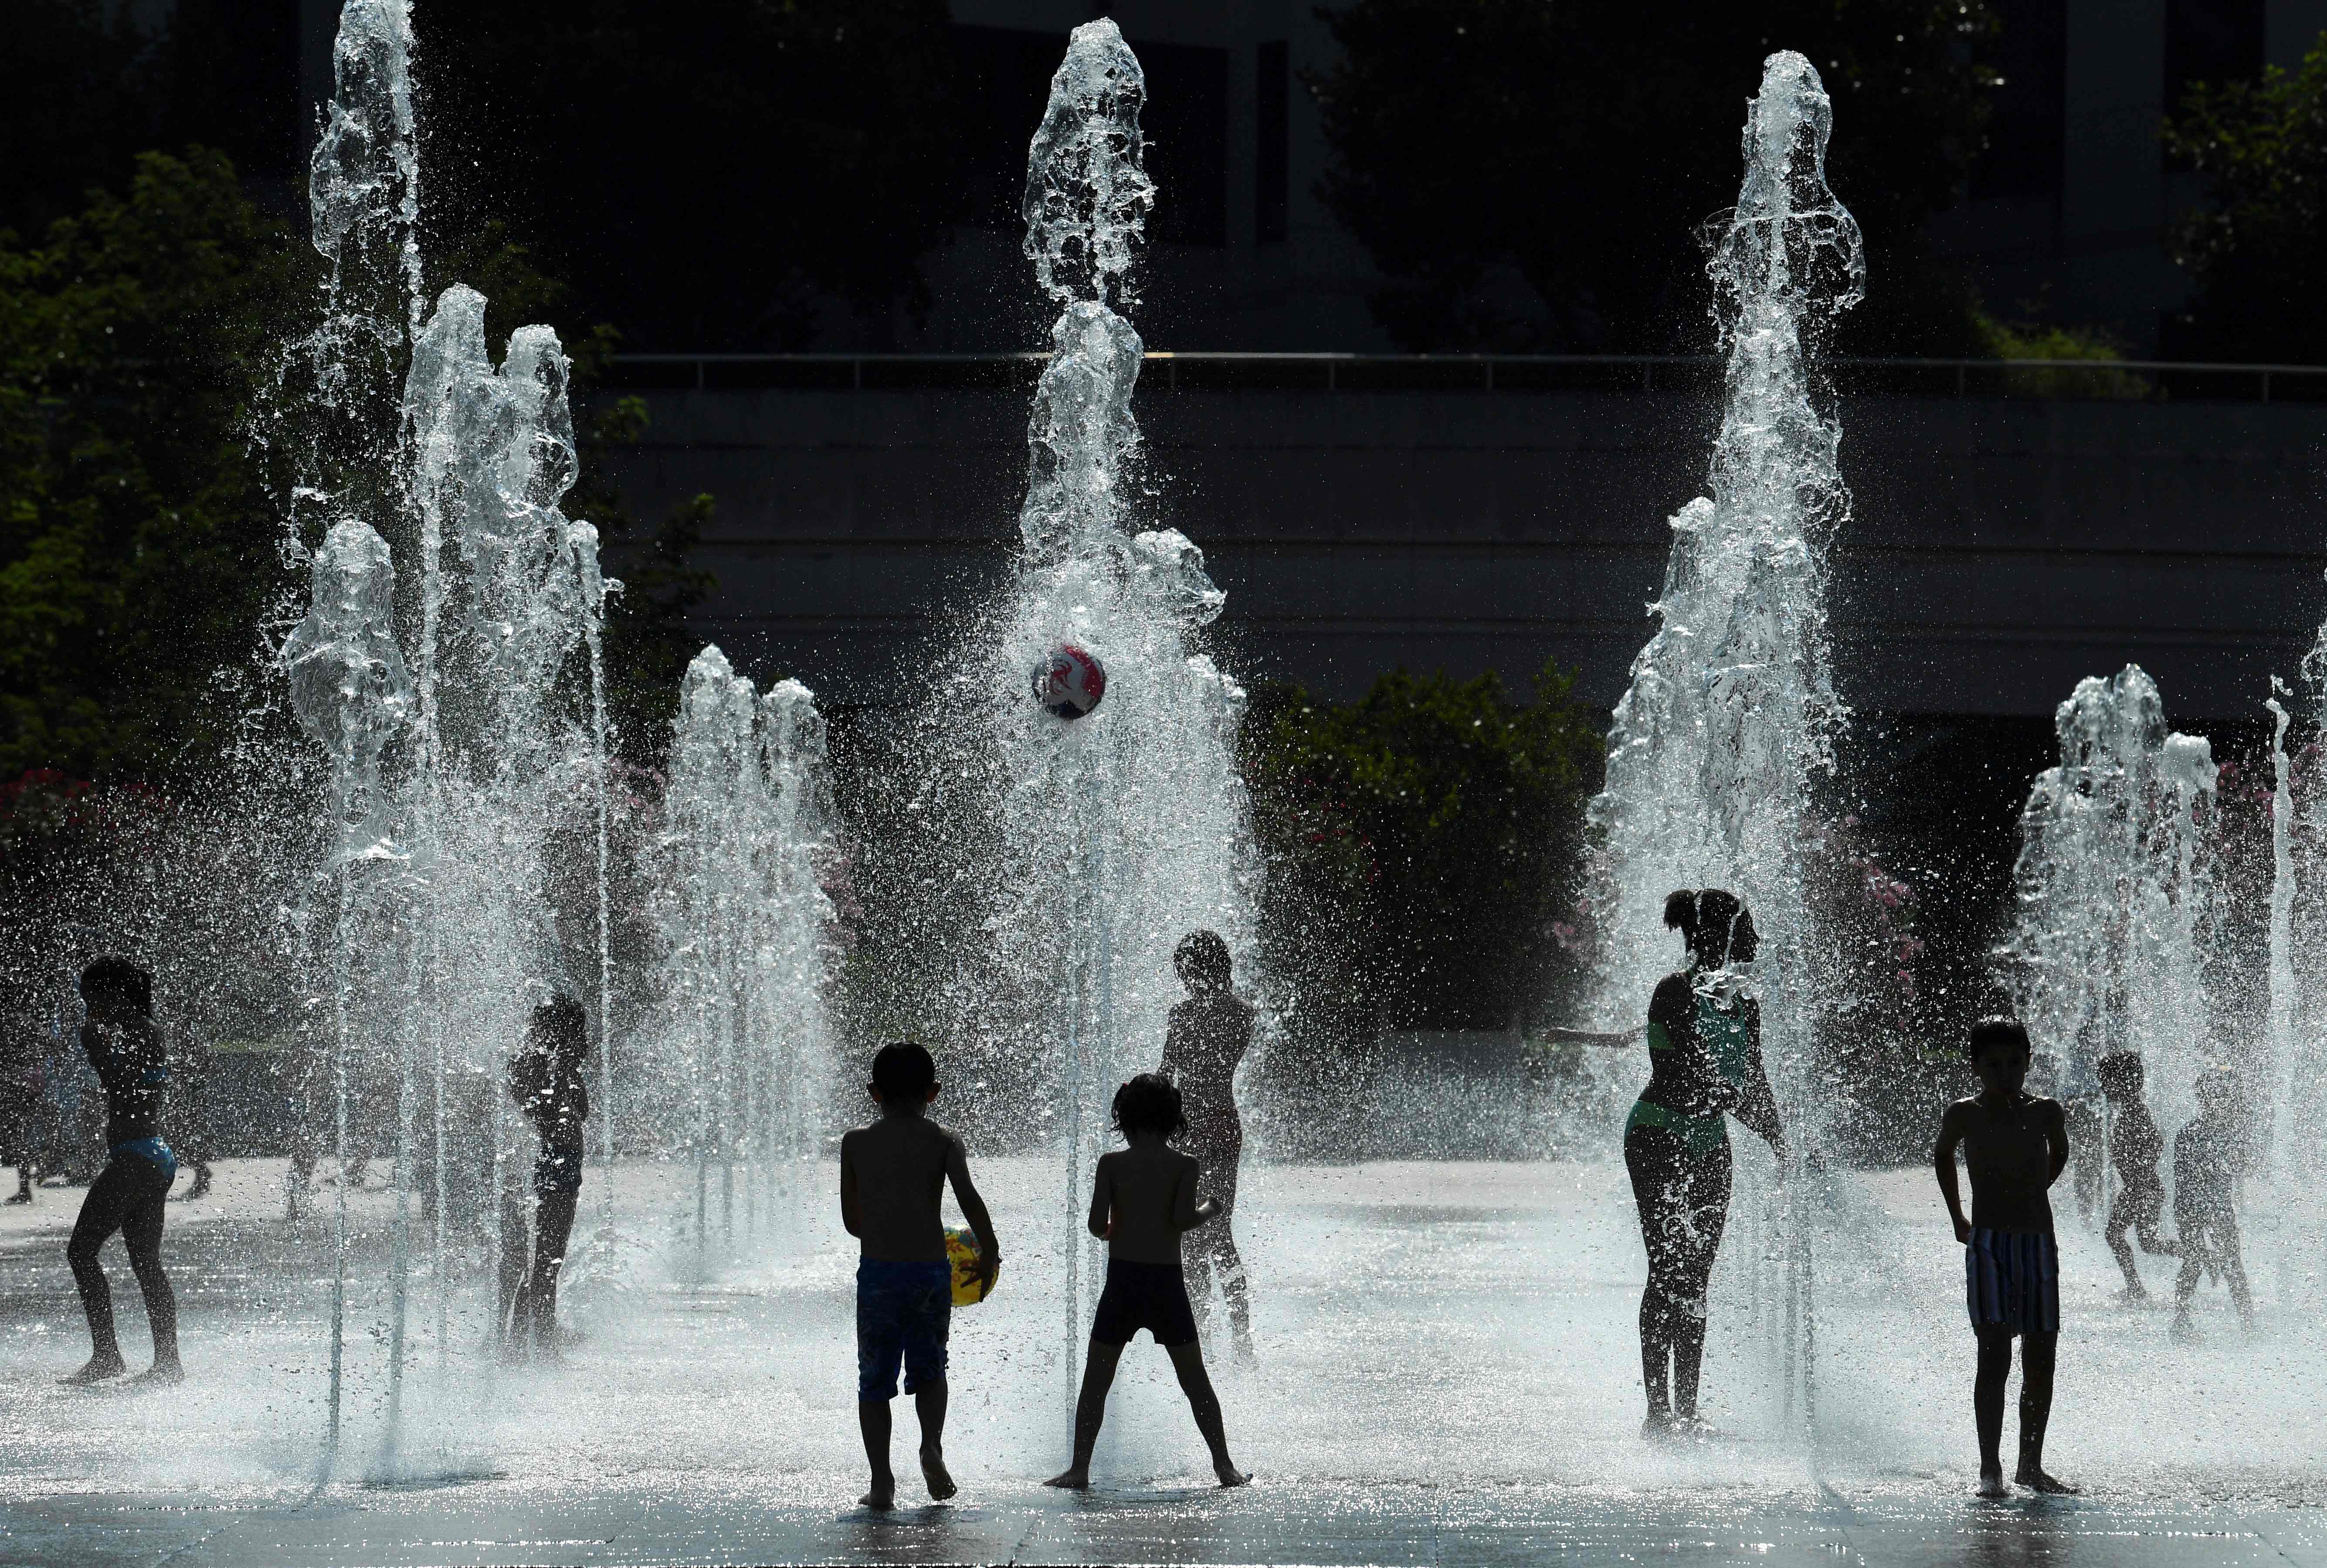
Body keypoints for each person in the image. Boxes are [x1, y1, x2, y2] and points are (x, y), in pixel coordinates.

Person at [1622, 887, 1786, 1438]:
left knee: (1695, 1276)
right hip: (1659, 1133)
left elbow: (1753, 1084)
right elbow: (1678, 1071)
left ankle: (1687, 1413)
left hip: (1710, 1140)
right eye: (1750, 929)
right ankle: (1656, 1411)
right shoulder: (1672, 992)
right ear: (1719, 934)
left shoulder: (1747, 1003)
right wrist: (1741, 1105)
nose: (1758, 941)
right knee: (1667, 1268)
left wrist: (1783, 1141)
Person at [1046, 1073, 1250, 1491]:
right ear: (1175, 1118)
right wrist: (1210, 1208)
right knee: (1195, 1381)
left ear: (1123, 1116)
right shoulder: (1184, 1165)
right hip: (1166, 1285)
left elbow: (1094, 1224)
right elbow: (1181, 1220)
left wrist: (1115, 1232)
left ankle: (1079, 1468)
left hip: (1122, 1283)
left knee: (1096, 1380)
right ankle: (1224, 1466)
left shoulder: (1111, 1164)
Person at [839, 1042, 1000, 1510]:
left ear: (874, 1093)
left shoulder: (856, 1142)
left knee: (874, 1380)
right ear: (933, 1092)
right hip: (931, 1273)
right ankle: (931, 1445)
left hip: (878, 1276)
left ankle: (882, 1481)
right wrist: (989, 1250)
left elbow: (854, 1223)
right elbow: (969, 1199)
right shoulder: (945, 1140)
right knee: (931, 1370)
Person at [1934, 1016, 2073, 1497]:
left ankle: (2030, 1465)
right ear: (1975, 1066)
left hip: (2037, 1242)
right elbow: (1942, 1154)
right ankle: (1989, 1466)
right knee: (1993, 1355)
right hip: (1990, 1243)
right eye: (1993, 1065)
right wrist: (1958, 1217)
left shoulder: (2046, 1111)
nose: (2006, 1073)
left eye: (2015, 1063)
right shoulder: (1965, 1114)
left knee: (2041, 1355)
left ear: (2029, 1061)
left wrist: (2037, 1188)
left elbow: (2060, 1153)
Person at [60, 955, 182, 1387]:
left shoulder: (140, 1031)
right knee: (146, 1262)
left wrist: (95, 1047)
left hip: (136, 1159)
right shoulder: (142, 1029)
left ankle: (108, 1356)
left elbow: (123, 1085)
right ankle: (168, 1364)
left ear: (113, 993)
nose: (88, 1004)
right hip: (151, 1156)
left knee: (81, 1251)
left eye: (90, 995)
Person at [1160, 929, 1256, 1360]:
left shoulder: (1182, 1014)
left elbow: (1166, 1075)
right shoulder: (1243, 1013)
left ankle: (1205, 1338)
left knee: (1191, 1238)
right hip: (1225, 1125)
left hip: (1189, 1130)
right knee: (1221, 1234)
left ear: (1190, 968)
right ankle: (1242, 1335)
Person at [502, 996, 590, 1359]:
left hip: (555, 1167)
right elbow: (567, 1113)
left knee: (541, 1261)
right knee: (545, 1261)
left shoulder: (537, 1067)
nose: (586, 1044)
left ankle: (528, 1338)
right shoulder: (548, 1071)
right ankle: (538, 1346)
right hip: (552, 1168)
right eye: (579, 1034)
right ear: (562, 1034)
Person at [2171, 1065, 2254, 1341]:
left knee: (2207, 1263)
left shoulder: (2208, 1133)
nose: (2218, 1101)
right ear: (2204, 1098)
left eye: (2222, 1096)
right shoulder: (2196, 1134)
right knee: (2216, 1264)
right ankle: (2247, 1326)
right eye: (2214, 1096)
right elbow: (2185, 1179)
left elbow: (2236, 1169)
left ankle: (2245, 1325)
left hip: (2208, 1208)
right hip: (2205, 1208)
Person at [2096, 1050, 2179, 1299]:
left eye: (2107, 1081)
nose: (2103, 1088)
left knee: (2118, 1235)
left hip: (2142, 1188)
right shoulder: (2132, 1109)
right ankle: (2198, 1254)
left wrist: (2140, 1172)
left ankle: (2136, 1288)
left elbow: (2156, 1142)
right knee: (2148, 1243)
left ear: (2123, 1082)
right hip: (2141, 1187)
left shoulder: (2135, 1111)